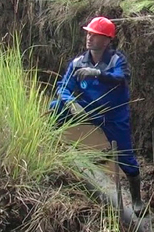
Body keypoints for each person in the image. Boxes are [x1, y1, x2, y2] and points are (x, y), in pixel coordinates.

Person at [50, 16, 145, 216]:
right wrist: (70, 102)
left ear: (107, 40)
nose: (89, 37)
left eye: (95, 35)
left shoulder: (116, 60)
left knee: (126, 157)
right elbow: (63, 87)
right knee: (56, 106)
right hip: (88, 109)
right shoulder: (77, 63)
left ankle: (136, 198)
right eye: (88, 33)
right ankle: (54, 146)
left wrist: (97, 73)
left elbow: (122, 78)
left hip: (113, 115)